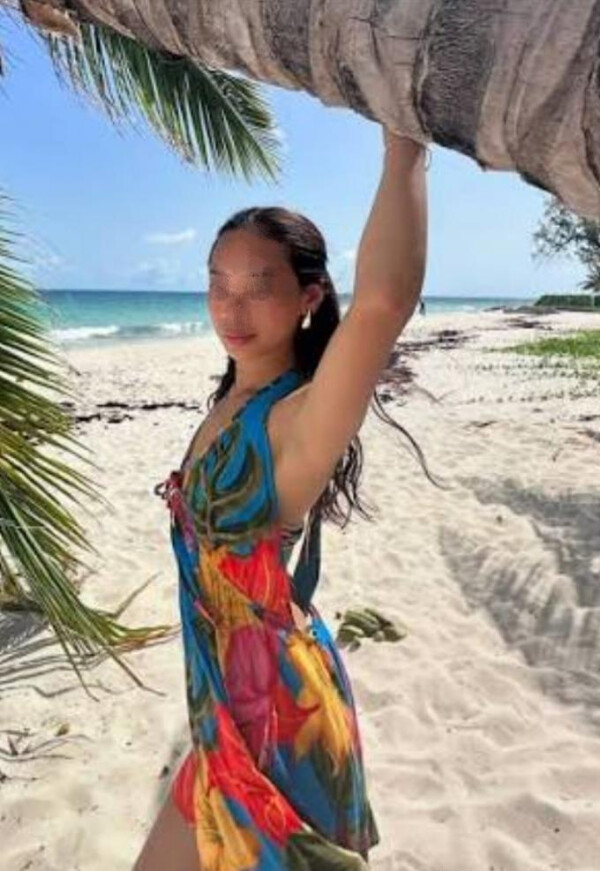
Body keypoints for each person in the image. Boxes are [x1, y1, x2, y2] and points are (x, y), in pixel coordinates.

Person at [140, 126, 428, 871]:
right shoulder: (233, 401)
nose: (231, 308)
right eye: (218, 283)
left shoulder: (293, 418)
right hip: (226, 715)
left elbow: (384, 303)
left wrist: (404, 146)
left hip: (279, 721)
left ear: (308, 297)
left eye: (258, 287)